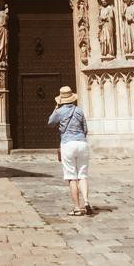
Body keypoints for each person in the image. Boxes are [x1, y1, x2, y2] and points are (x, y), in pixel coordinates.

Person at [48, 85, 92, 217]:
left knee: (72, 177)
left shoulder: (59, 111)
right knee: (83, 175)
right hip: (82, 143)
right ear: (72, 98)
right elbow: (85, 129)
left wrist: (56, 108)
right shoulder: (79, 111)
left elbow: (50, 123)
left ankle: (77, 208)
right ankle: (87, 202)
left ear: (61, 99)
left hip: (68, 144)